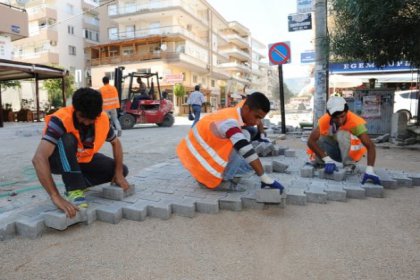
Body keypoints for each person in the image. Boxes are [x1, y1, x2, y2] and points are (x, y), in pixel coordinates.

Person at [32, 88, 130, 218]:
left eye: (91, 119)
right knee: (67, 138)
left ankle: (79, 182)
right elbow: (39, 158)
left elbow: (116, 143)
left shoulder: (102, 119)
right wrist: (55, 196)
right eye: (82, 117)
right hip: (57, 161)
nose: (86, 122)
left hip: (81, 159)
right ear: (75, 109)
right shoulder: (61, 119)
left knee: (122, 170)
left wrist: (118, 173)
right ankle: (74, 189)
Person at [177, 91, 284, 192]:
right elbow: (245, 149)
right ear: (246, 109)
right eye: (256, 117)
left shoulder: (235, 112)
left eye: (260, 119)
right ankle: (221, 181)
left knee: (245, 143)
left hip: (193, 159)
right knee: (243, 140)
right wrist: (264, 177)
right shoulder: (229, 122)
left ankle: (220, 173)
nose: (257, 122)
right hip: (201, 167)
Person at [307, 96, 381, 184]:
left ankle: (349, 165)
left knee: (342, 133)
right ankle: (320, 163)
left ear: (346, 112)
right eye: (336, 118)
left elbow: (370, 145)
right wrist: (327, 159)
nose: (340, 121)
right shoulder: (325, 120)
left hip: (352, 154)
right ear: (330, 115)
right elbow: (310, 141)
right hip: (336, 153)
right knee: (319, 136)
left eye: (342, 116)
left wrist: (370, 169)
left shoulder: (354, 121)